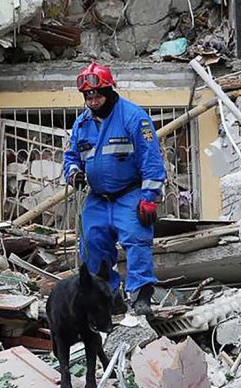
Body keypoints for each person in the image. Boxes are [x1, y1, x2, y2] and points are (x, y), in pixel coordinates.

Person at [63, 62, 166, 317]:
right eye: (88, 97)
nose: (93, 101)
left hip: (129, 195)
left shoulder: (134, 118)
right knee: (91, 244)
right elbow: (71, 156)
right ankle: (108, 295)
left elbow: (151, 160)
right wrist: (73, 173)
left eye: (97, 96)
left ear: (109, 91)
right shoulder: (82, 124)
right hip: (98, 198)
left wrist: (149, 197)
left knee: (136, 240)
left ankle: (141, 296)